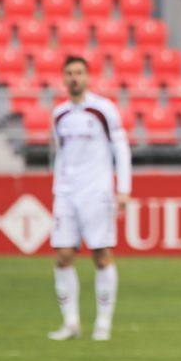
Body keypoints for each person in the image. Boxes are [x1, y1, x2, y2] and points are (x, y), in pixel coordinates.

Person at [49, 56, 132, 341]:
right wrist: (57, 186)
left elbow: (120, 149)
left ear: (88, 77)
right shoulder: (59, 113)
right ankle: (71, 322)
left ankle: (103, 323)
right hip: (66, 193)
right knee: (63, 256)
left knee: (101, 255)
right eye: (69, 73)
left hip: (97, 192)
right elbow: (60, 153)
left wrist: (123, 188)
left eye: (79, 73)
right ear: (63, 78)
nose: (74, 78)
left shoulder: (103, 109)